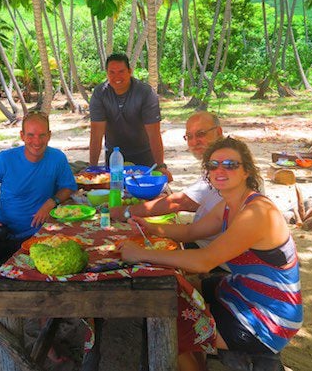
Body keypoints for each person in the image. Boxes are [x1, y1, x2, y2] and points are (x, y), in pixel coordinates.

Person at [119, 137, 302, 371]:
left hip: (270, 318)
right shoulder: (229, 204)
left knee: (169, 324)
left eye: (230, 164)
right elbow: (191, 231)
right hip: (242, 290)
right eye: (213, 165)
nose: (220, 170)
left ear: (247, 170)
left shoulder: (256, 212)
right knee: (183, 289)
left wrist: (140, 254)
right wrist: (151, 227)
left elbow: (203, 261)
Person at [0, 112, 77, 302]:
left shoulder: (57, 158)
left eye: (41, 135)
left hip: (37, 236)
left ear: (49, 135)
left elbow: (69, 187)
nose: (36, 141)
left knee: (40, 279)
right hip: (0, 230)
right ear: (22, 136)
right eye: (30, 135)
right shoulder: (5, 159)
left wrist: (51, 202)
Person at [111, 111, 223, 230]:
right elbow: (199, 200)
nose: (194, 142)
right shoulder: (213, 161)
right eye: (189, 136)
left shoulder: (224, 163)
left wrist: (126, 212)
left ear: (219, 132)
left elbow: (181, 202)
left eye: (201, 134)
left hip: (209, 244)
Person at [88, 53, 172, 181]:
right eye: (112, 72)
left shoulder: (145, 93)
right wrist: (92, 168)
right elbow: (96, 133)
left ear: (129, 71)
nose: (117, 77)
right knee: (116, 194)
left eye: (121, 71)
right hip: (114, 156)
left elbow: (154, 133)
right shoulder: (100, 93)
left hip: (144, 156)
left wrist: (160, 166)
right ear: (107, 73)